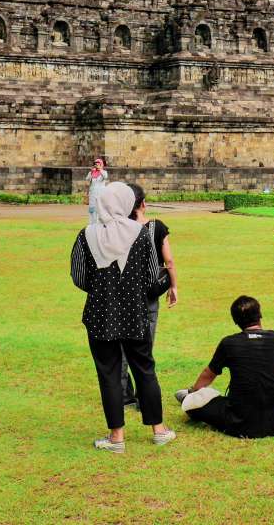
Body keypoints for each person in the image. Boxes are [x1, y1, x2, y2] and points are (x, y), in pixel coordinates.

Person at [70, 181, 174, 451]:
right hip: (135, 311)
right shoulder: (140, 234)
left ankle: (117, 436)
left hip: (100, 313)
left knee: (109, 373)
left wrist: (103, 286)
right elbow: (152, 275)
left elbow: (79, 277)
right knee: (144, 369)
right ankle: (159, 429)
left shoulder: (87, 235)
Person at [175, 295, 274, 438]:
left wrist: (193, 392)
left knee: (198, 399)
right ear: (260, 315)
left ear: (235, 321)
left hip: (239, 424)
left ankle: (188, 397)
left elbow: (208, 374)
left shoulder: (230, 343)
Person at [121, 183, 176, 407]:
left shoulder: (118, 228)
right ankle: (145, 399)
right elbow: (169, 261)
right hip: (148, 294)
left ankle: (124, 395)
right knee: (145, 348)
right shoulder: (156, 227)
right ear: (143, 203)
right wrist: (173, 287)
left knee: (122, 345)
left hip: (123, 293)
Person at [85, 156, 108, 222]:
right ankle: (91, 223)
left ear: (101, 164)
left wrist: (100, 169)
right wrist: (92, 172)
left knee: (99, 208)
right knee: (92, 209)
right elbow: (87, 179)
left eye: (98, 164)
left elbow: (105, 176)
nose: (96, 165)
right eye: (95, 164)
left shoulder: (104, 172)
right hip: (92, 193)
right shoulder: (92, 172)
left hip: (100, 194)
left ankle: (99, 223)